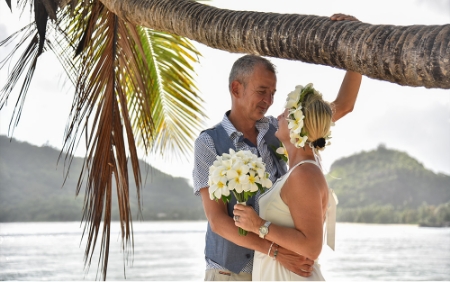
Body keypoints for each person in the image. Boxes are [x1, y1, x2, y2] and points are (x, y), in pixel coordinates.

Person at [193, 15, 361, 281]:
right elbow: (218, 221)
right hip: (230, 272)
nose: (269, 101)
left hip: (278, 269)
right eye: (262, 91)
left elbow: (344, 105)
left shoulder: (286, 129)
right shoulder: (208, 143)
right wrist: (273, 250)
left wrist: (357, 38)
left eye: (273, 93)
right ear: (236, 88)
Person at [232, 84, 340, 280]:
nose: (279, 117)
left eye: (285, 114)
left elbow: (312, 247)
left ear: (296, 128)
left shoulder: (304, 174)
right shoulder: (300, 171)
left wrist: (258, 225)